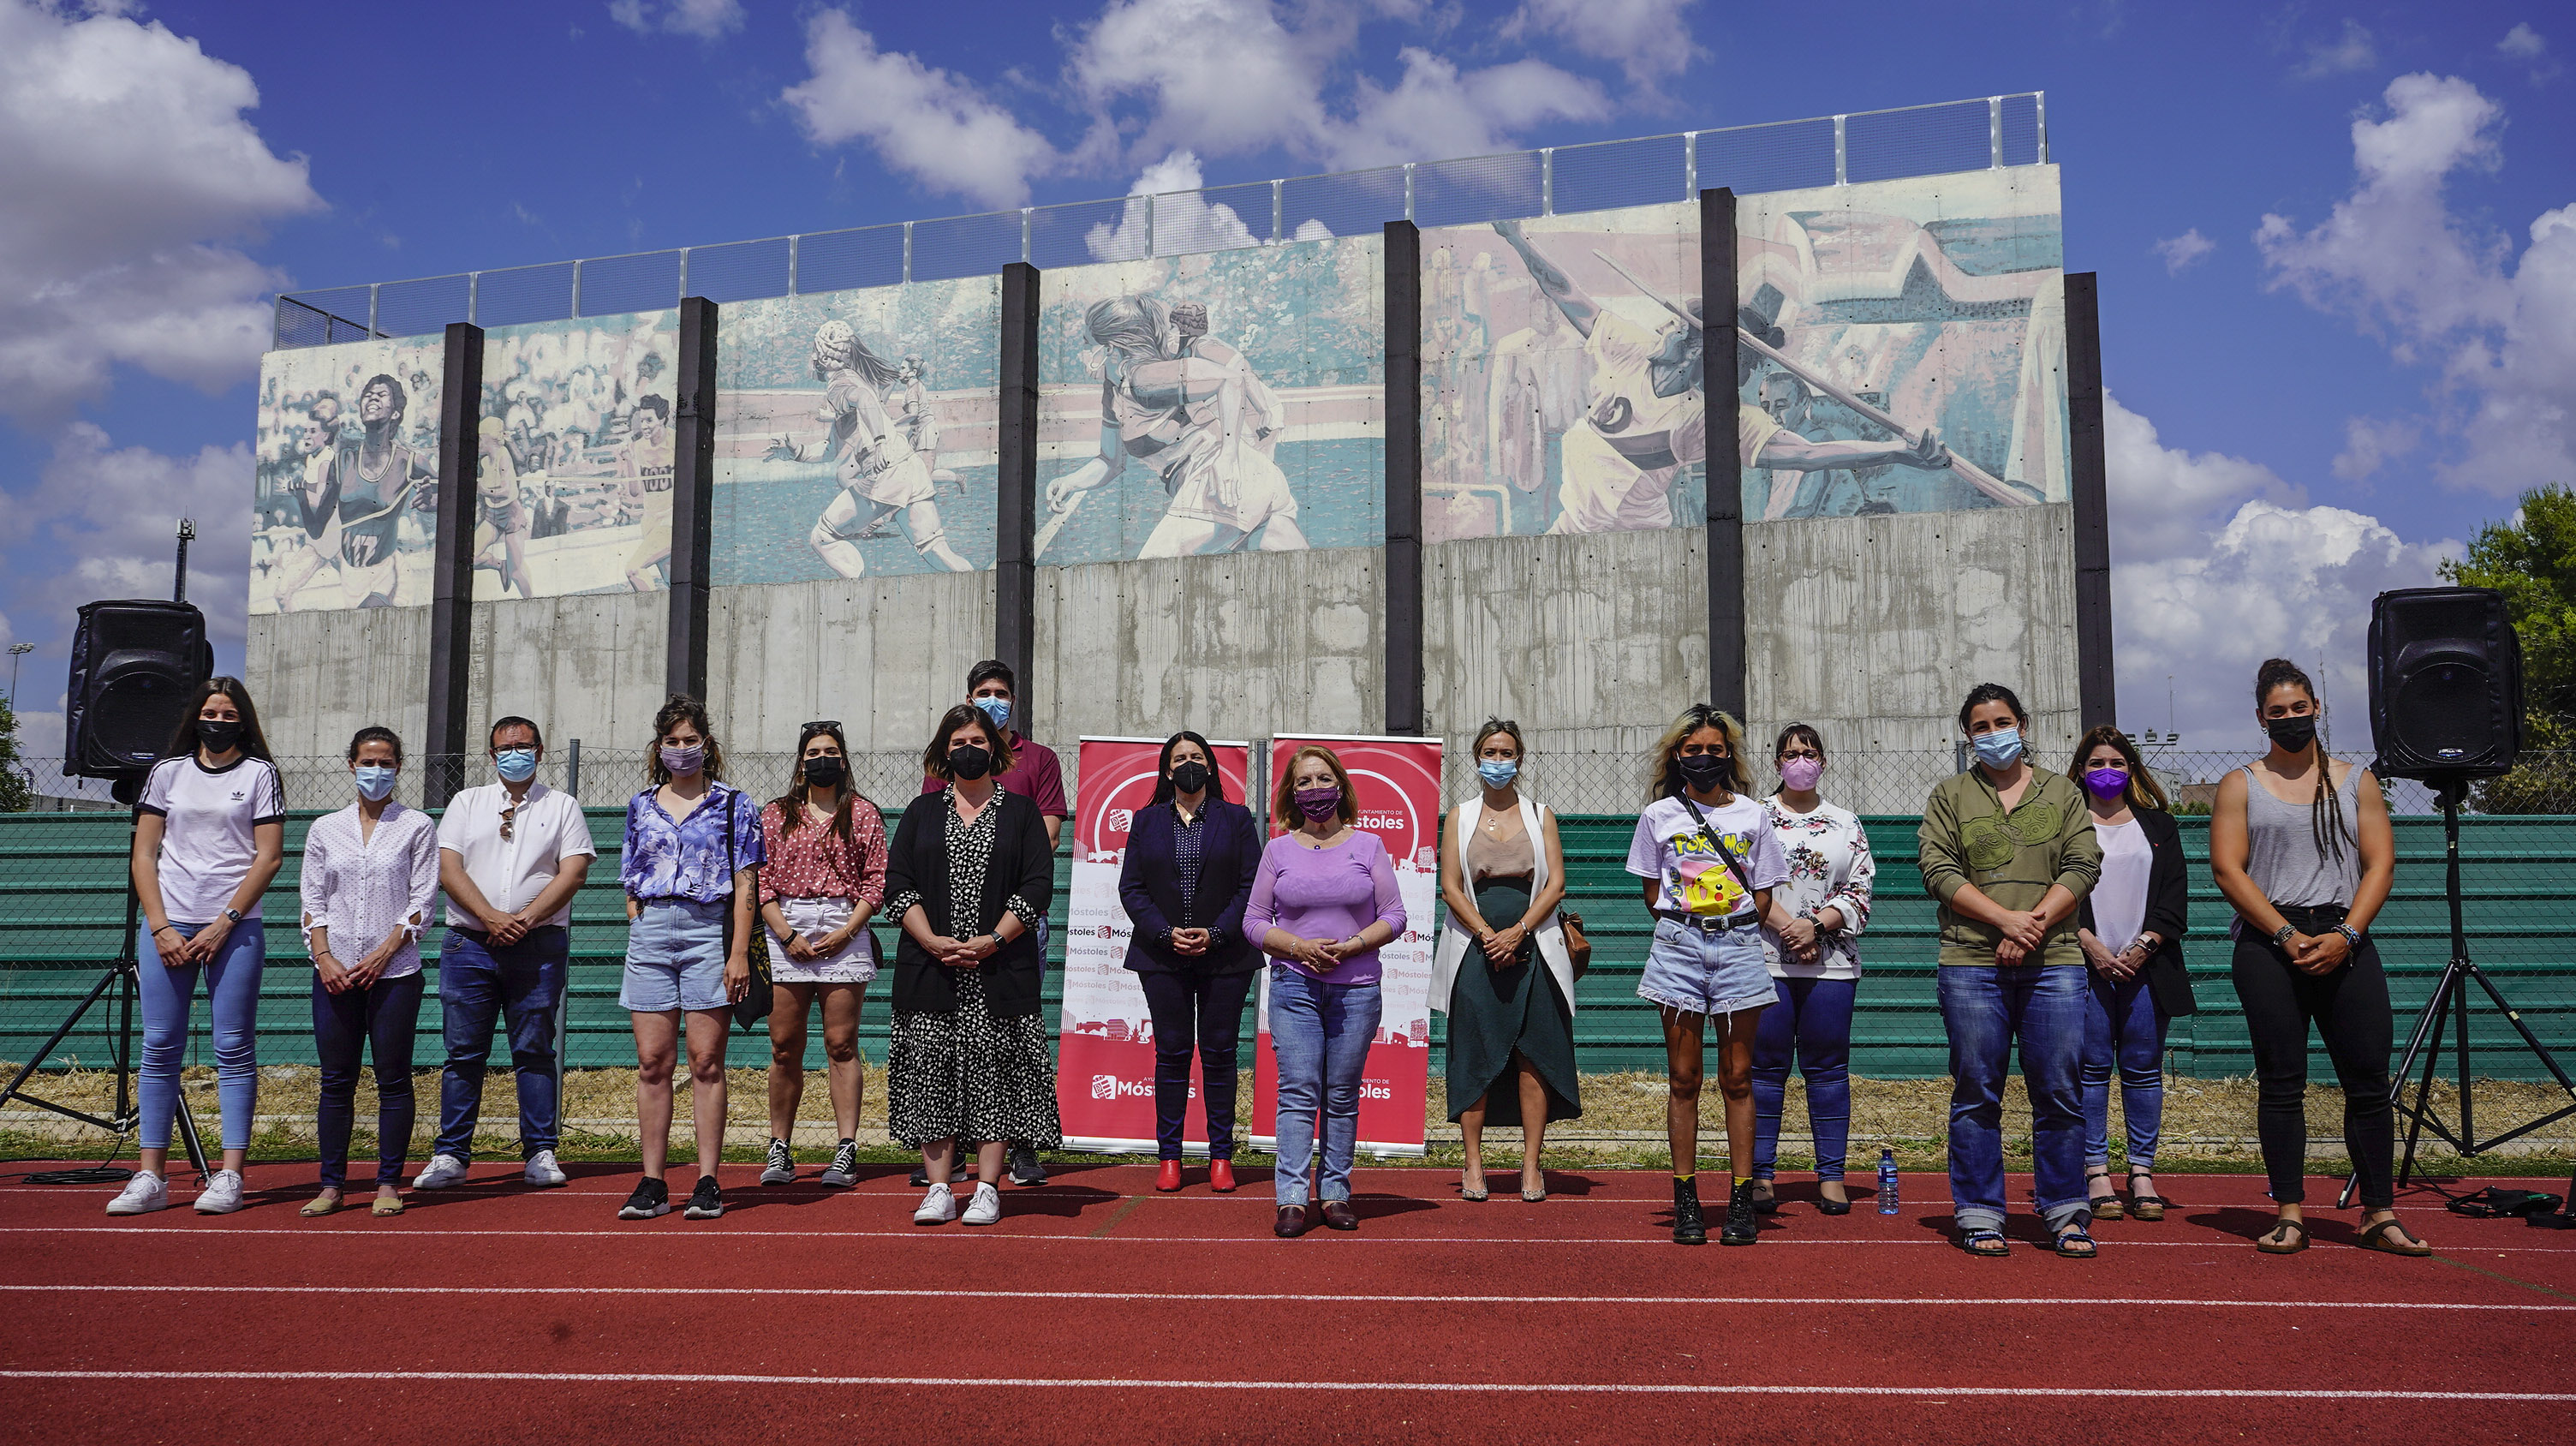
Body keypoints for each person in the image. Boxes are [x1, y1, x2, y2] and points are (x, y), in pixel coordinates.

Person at [2210, 660, 2424, 1257]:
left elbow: (2380, 863)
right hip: (2269, 944)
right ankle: (2289, 1214)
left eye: (2298, 708)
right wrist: (2283, 935)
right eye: (2277, 713)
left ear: (2316, 708)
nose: (2290, 719)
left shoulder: (2357, 781)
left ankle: (2378, 1214)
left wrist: (2347, 936)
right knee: (2282, 1083)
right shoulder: (2240, 784)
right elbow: (2228, 869)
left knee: (2367, 1082)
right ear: (2261, 719)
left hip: (2344, 939)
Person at [1918, 683, 2103, 1259]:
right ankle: (1980, 1213)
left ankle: (2066, 1211)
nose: (1993, 732)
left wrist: (2036, 924)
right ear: (1968, 736)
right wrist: (2005, 921)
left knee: (2061, 1091)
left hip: (2057, 965)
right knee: (1977, 1092)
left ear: (2023, 725)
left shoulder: (2064, 792)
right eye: (1981, 725)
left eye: (2003, 721)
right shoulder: (1950, 795)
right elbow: (1937, 868)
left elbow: (2083, 862)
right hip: (1971, 963)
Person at [106, 680, 288, 1216]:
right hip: (168, 924)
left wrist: (225, 922)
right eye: (210, 712)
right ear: (195, 718)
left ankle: (230, 1175)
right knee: (160, 1046)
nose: (218, 720)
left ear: (244, 720)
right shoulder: (167, 773)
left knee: (233, 1048)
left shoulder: (260, 774)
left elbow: (269, 857)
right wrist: (161, 927)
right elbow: (144, 855)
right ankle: (151, 1177)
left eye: (229, 713)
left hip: (235, 929)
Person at [884, 704, 1062, 1228]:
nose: (970, 751)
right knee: (929, 1074)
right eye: (959, 742)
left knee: (996, 1076)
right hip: (929, 966)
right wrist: (932, 940)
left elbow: (1037, 886)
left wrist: (992, 940)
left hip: (999, 968)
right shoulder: (920, 813)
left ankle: (987, 1187)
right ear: (944, 752)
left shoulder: (1023, 812)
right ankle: (939, 1187)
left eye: (979, 742)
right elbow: (898, 885)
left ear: (996, 750)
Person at [1628, 705, 1787, 1246]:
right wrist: (1690, 919)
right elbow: (1653, 894)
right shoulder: (1658, 817)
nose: (1703, 758)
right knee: (1683, 1079)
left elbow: (1765, 893)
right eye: (1692, 750)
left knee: (1739, 1078)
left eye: (1714, 750)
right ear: (1677, 755)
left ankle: (1742, 1200)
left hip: (1740, 943)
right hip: (1678, 944)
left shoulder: (1752, 816)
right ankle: (1687, 1200)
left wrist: (1730, 920)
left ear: (1729, 755)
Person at [416, 717, 594, 1193]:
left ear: (540, 751)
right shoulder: (466, 802)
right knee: (463, 1053)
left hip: (537, 946)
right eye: (504, 748)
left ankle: (539, 1151)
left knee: (534, 1051)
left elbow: (573, 872)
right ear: (492, 755)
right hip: (469, 945)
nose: (514, 753)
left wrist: (525, 919)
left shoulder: (562, 806)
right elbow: (447, 866)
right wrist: (492, 917)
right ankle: (451, 1154)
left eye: (524, 746)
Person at [913, 659, 1070, 1188]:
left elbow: (1044, 842)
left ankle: (1017, 1151)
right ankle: (947, 1156)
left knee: (1006, 1039)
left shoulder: (1039, 760)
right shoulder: (937, 781)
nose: (993, 700)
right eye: (984, 692)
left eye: (1002, 692)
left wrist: (997, 931)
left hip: (1013, 928)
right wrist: (940, 938)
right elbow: (925, 855)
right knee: (946, 1045)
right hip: (942, 940)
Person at [1250, 744, 1406, 1238]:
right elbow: (1253, 922)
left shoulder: (1369, 847)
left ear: (1339, 784)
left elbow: (1395, 915)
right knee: (1298, 1092)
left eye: (1322, 779)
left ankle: (1335, 1192)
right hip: (1294, 985)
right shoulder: (1277, 849)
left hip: (1356, 989)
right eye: (1303, 782)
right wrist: (1297, 947)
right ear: (1291, 792)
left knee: (1341, 1094)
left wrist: (1355, 945)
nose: (1314, 789)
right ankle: (1293, 1200)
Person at [617, 696, 763, 1222]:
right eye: (673, 741)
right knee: (653, 1063)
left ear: (708, 745)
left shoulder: (733, 804)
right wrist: (639, 918)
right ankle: (653, 1182)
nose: (682, 750)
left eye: (691, 740)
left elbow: (747, 881)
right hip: (652, 932)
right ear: (659, 748)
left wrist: (739, 951)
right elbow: (630, 874)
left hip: (708, 932)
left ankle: (707, 1181)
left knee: (706, 1061)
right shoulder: (640, 804)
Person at [1039, 295, 1309, 558]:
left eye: (1087, 343)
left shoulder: (1142, 377)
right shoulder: (1115, 391)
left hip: (1221, 486)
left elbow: (1230, 380)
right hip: (1253, 489)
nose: (1082, 354)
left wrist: (1228, 456)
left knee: (1150, 584)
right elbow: (1110, 461)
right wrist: (1070, 482)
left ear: (1109, 349)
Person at [1433, 721, 1578, 1204]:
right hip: (1475, 948)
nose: (1499, 759)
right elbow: (1451, 886)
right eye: (1491, 751)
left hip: (1534, 944)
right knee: (1473, 1051)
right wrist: (1487, 934)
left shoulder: (1541, 814)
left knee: (1533, 1054)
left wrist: (1518, 932)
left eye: (1508, 752)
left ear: (1520, 759)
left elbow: (1555, 883)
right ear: (1477, 758)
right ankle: (1473, 1164)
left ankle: (1531, 1165)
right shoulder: (1459, 815)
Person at [297, 727, 438, 1217]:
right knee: (336, 1080)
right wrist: (324, 957)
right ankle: (332, 1184)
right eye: (366, 761)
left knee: (393, 1078)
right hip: (334, 975)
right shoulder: (324, 829)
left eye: (385, 762)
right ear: (351, 764)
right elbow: (312, 900)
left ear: (399, 766)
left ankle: (388, 1183)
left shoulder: (417, 826)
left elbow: (422, 901)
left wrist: (383, 955)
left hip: (395, 973)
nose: (375, 770)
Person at [1118, 731, 1263, 1192]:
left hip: (1226, 957)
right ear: (1166, 770)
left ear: (1211, 766)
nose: (1188, 764)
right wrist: (1165, 933)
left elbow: (1251, 886)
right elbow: (1132, 888)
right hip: (1161, 956)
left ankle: (1221, 1155)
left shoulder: (1236, 819)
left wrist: (1216, 933)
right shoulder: (1146, 821)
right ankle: (1171, 1157)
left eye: (1196, 757)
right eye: (1179, 758)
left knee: (1220, 1054)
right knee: (1173, 1053)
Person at [1750, 724, 1877, 1215]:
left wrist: (1816, 927)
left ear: (1823, 760)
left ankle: (1830, 1176)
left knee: (1828, 1070)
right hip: (1765, 960)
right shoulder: (1755, 815)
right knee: (1765, 1071)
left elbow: (1860, 886)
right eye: (1790, 753)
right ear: (1776, 761)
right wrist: (1790, 928)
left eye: (1809, 753)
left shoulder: (1845, 822)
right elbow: (1740, 881)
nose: (1800, 761)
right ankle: (1759, 1175)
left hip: (1832, 963)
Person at [2070, 726, 2194, 1223]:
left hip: (2148, 969)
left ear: (2132, 770)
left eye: (2117, 763)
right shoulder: (2066, 823)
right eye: (2097, 763)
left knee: (2143, 1072)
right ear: (2081, 770)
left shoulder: (2159, 826)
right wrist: (2093, 948)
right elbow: (2053, 893)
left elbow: (2175, 900)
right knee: (2092, 1070)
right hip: (2086, 966)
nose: (2107, 772)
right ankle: (2095, 1170)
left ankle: (2141, 1171)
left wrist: (2144, 945)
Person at [757, 721, 887, 1191]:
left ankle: (847, 1148)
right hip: (786, 927)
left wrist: (848, 930)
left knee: (841, 1044)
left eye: (831, 751)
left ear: (844, 759)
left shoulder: (865, 814)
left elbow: (877, 881)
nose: (822, 759)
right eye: (813, 752)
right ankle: (779, 1148)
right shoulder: (775, 814)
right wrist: (786, 933)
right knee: (784, 1046)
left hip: (844, 926)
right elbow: (762, 880)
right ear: (801, 761)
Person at [766, 320, 973, 576]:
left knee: (823, 537)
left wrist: (880, 442)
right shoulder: (852, 382)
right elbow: (829, 450)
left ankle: (860, 592)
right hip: (910, 469)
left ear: (824, 358)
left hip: (884, 475)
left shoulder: (838, 386)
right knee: (935, 549)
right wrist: (795, 452)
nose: (810, 358)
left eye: (814, 352)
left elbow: (863, 401)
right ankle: (984, 588)